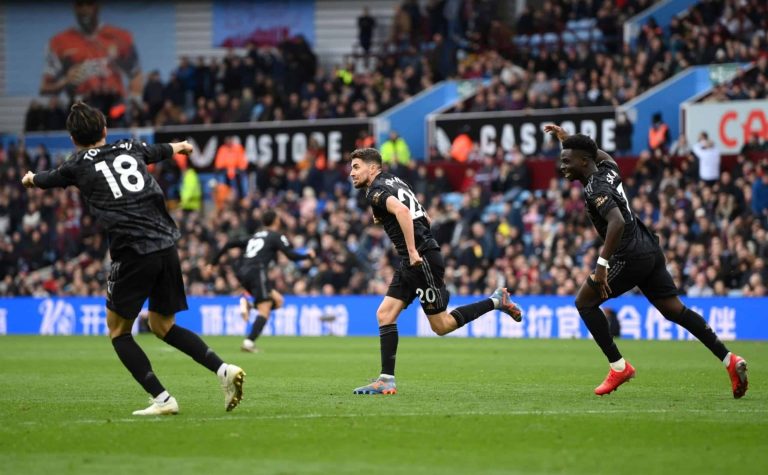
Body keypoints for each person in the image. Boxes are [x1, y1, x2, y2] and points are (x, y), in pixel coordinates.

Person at [21, 102, 245, 415]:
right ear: (104, 130)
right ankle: (224, 370)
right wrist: (180, 146)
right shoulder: (128, 147)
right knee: (162, 325)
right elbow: (156, 150)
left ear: (73, 139)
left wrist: (31, 179)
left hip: (134, 250)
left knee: (118, 330)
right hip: (167, 244)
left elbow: (48, 179)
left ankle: (163, 399)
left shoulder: (76, 164)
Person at [543, 124, 748, 398]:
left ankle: (619, 366)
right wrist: (569, 140)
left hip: (629, 254)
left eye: (567, 160)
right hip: (649, 247)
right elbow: (597, 155)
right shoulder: (609, 169)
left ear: (583, 162)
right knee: (674, 310)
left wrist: (602, 267)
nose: (562, 166)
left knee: (585, 302)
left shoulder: (595, 187)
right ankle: (729, 359)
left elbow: (615, 222)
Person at [348, 147, 522, 395]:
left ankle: (496, 301)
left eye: (356, 167)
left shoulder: (376, 189)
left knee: (441, 325)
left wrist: (411, 250)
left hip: (419, 259)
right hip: (414, 259)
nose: (351, 173)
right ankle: (386, 379)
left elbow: (404, 211)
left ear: (372, 167)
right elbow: (424, 216)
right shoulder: (394, 180)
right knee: (385, 314)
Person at [208, 210, 315, 353]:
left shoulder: (254, 236)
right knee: (265, 309)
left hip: (242, 272)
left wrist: (212, 263)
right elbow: (291, 255)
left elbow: (229, 243)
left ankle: (249, 305)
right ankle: (248, 342)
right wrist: (307, 256)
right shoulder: (276, 236)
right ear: (276, 221)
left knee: (278, 301)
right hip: (256, 271)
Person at [40, 0, 142, 99]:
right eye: (80, 4)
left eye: (89, 3)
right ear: (74, 8)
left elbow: (135, 74)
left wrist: (135, 99)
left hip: (115, 106)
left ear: (98, 6)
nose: (85, 9)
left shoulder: (121, 37)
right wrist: (66, 81)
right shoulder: (58, 42)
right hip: (82, 107)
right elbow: (44, 88)